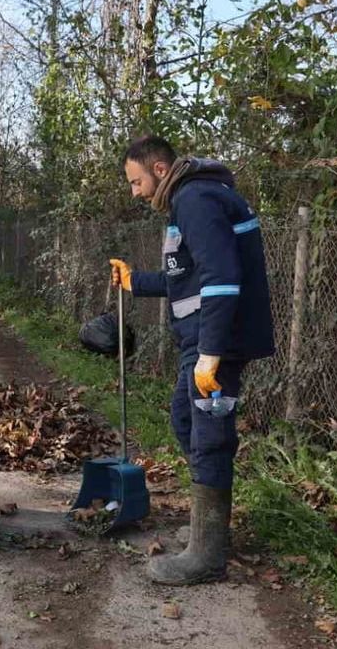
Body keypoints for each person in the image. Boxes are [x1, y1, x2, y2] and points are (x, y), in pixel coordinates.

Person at [109, 136, 275, 585]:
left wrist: (210, 355)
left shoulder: (195, 200)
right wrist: (136, 282)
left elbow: (221, 280)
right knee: (186, 421)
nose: (135, 192)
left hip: (215, 340)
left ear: (160, 170)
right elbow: (187, 278)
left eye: (136, 181)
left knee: (209, 435)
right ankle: (210, 531)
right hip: (201, 339)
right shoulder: (191, 199)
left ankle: (207, 556)